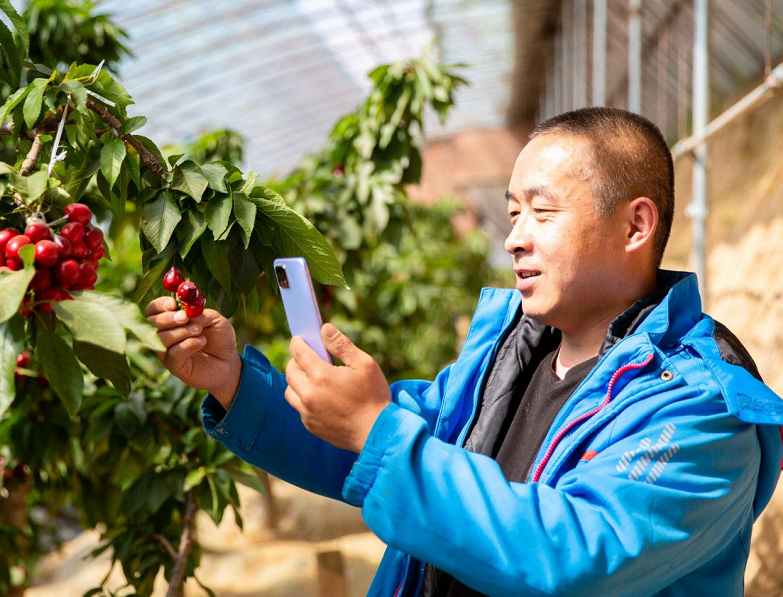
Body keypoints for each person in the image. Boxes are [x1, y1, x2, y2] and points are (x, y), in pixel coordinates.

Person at [146, 107, 783, 596]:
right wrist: (235, 384)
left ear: (635, 226)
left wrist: (376, 431)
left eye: (542, 211)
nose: (514, 239)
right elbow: (376, 447)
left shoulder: (703, 412)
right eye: (512, 213)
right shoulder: (506, 360)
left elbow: (573, 556)